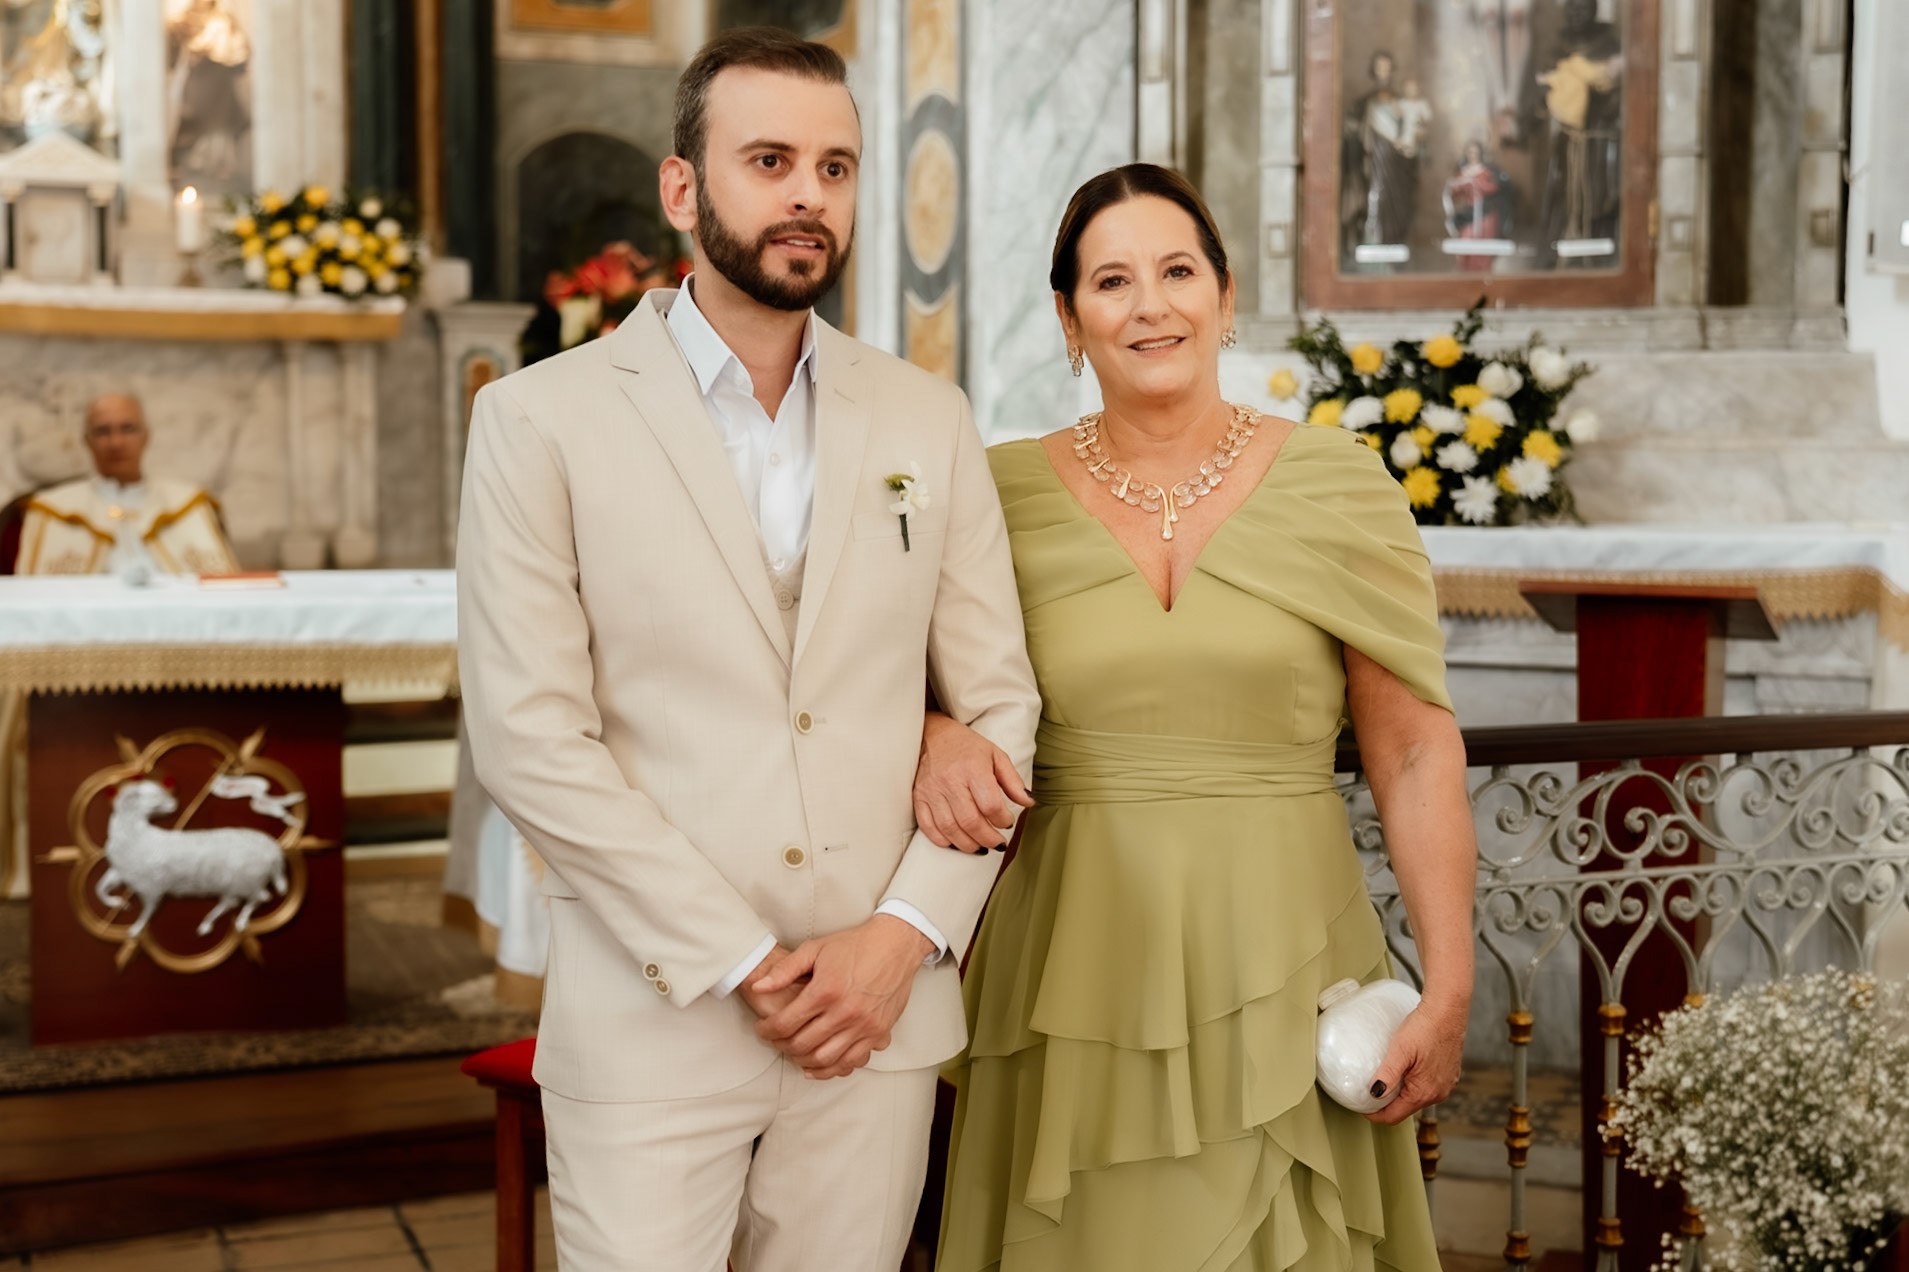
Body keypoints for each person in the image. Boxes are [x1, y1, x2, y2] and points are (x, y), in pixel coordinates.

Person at [456, 27, 1040, 1272]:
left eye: (834, 168)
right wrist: (743, 962)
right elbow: (527, 738)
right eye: (769, 159)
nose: (805, 197)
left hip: (873, 1023)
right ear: (682, 188)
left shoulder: (925, 418)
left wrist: (900, 941)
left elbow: (997, 707)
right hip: (656, 1014)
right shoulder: (535, 420)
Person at [923, 164, 1477, 1270]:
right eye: (1112, 280)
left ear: (1225, 297)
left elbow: (1411, 751)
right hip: (1070, 958)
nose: (1150, 305)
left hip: (1286, 945)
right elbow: (907, 681)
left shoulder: (1338, 483)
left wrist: (1449, 983)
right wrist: (933, 732)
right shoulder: (992, 492)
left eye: (1178, 272)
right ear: (1069, 318)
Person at [11, 393, 237, 576]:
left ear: (146, 436)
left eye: (127, 429)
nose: (116, 442)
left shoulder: (189, 504)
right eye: (102, 431)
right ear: (86, 441)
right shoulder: (51, 509)